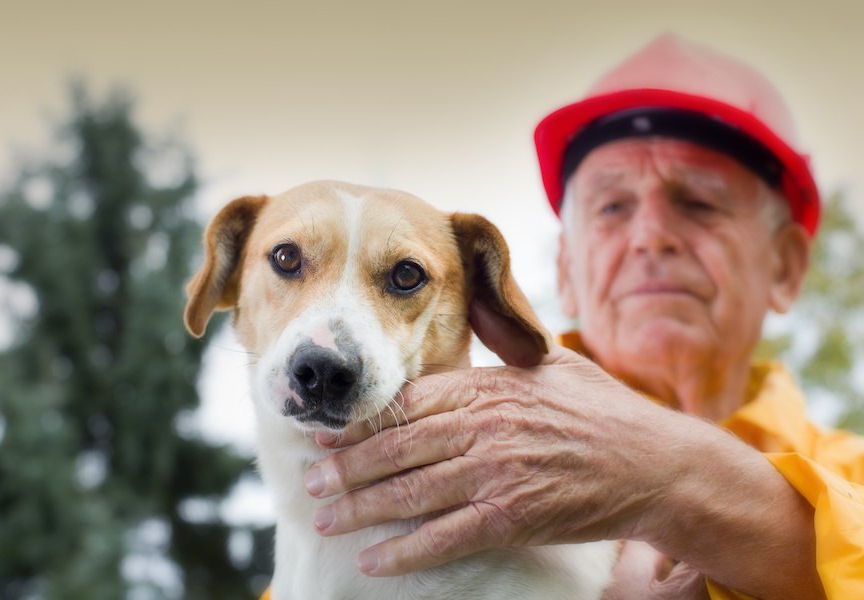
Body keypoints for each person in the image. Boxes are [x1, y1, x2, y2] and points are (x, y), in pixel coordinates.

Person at [301, 35, 864, 599]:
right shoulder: (386, 450)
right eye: (612, 207)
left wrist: (675, 481)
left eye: (699, 202)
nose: (650, 237)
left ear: (787, 267)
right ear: (565, 268)